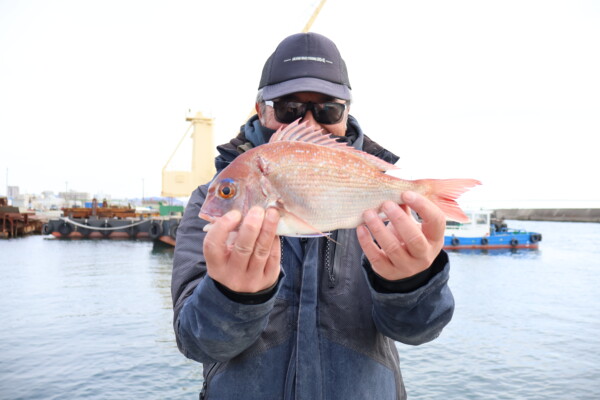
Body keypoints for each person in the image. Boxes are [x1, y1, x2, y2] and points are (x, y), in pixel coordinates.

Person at [172, 32, 454, 400]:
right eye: (288, 108)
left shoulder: (384, 208)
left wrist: (411, 285)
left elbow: (419, 331)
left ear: (347, 112)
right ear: (261, 109)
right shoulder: (206, 205)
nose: (308, 122)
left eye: (328, 110)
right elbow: (196, 343)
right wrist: (230, 297)